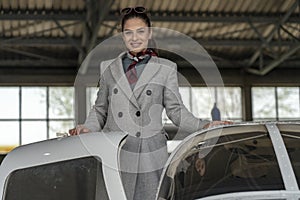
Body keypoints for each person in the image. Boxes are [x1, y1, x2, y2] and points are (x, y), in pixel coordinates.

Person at [69, 6, 231, 200]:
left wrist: (204, 125)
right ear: (122, 36)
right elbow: (100, 108)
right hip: (116, 153)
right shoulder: (108, 68)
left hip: (150, 154)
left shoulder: (166, 68)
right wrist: (88, 128)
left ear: (149, 33)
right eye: (128, 32)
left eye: (140, 31)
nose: (134, 38)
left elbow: (176, 111)